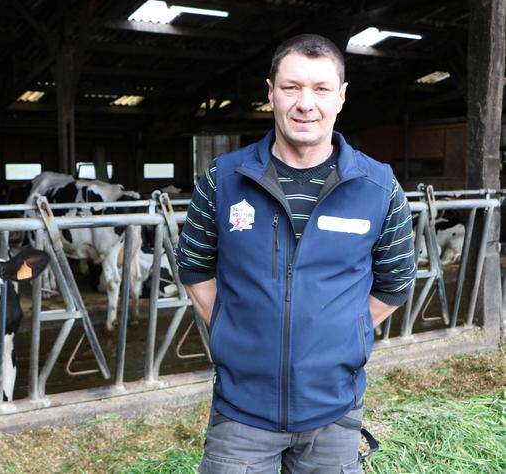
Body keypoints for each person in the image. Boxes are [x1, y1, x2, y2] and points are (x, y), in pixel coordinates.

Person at [175, 34, 416, 473]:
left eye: (321, 89)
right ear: (270, 93)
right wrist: (234, 328)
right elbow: (193, 265)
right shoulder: (225, 179)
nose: (306, 103)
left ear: (341, 97)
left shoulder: (378, 187)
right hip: (241, 413)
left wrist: (345, 330)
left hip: (334, 412)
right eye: (291, 87)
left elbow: (396, 281)